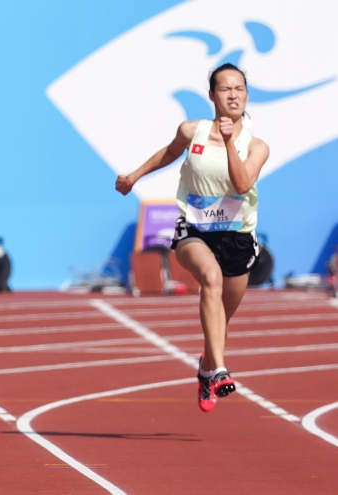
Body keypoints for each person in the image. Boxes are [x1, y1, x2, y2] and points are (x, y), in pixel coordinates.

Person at [115, 63, 269, 412]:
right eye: (226, 89)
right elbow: (169, 152)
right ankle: (220, 371)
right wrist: (134, 177)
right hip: (195, 230)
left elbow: (242, 184)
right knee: (210, 280)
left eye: (240, 89)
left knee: (221, 321)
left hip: (238, 236)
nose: (233, 94)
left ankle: (205, 367)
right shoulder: (192, 130)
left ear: (246, 95)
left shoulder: (256, 145)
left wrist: (230, 142)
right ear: (212, 95)